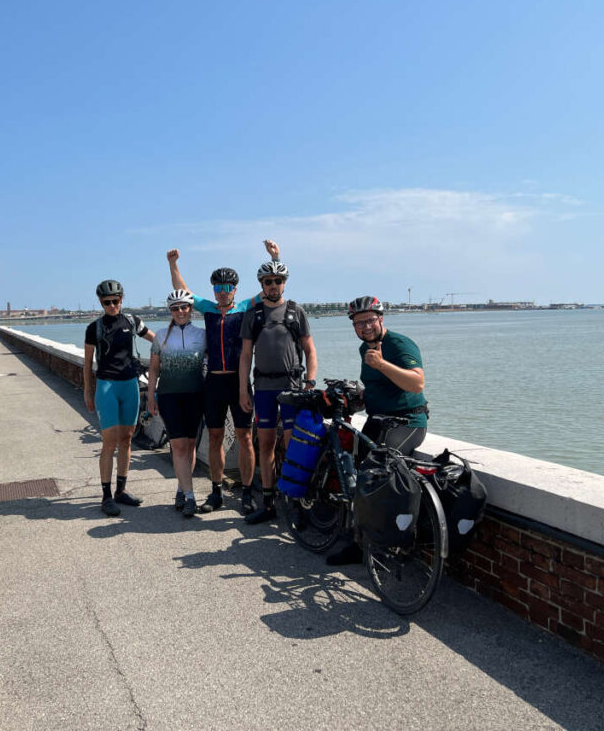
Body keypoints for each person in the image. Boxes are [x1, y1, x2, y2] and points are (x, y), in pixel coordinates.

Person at [165, 240, 279, 514]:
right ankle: (216, 492)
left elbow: (272, 288)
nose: (223, 292)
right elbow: (184, 292)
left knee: (244, 439)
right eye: (218, 288)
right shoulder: (209, 309)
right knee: (214, 437)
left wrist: (275, 256)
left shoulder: (245, 307)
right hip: (213, 383)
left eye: (228, 288)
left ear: (235, 290)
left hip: (239, 382)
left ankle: (248, 493)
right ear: (214, 290)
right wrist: (173, 264)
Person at [327, 295, 428, 565]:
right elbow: (377, 388)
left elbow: (417, 384)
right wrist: (355, 399)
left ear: (381, 319)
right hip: (378, 418)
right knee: (359, 476)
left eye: (370, 320)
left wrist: (382, 364)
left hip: (408, 422)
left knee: (379, 470)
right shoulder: (365, 350)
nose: (365, 327)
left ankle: (392, 541)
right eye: (358, 323)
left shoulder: (399, 344)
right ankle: (358, 542)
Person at [238, 256, 318, 524]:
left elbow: (309, 350)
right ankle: (269, 502)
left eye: (278, 281)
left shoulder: (296, 312)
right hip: (263, 388)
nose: (273, 285)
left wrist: (311, 381)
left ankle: (297, 503)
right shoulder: (254, 314)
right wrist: (243, 389)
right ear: (262, 284)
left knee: (293, 443)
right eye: (268, 281)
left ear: (284, 283)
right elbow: (245, 355)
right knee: (266, 444)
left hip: (292, 387)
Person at [83, 280, 155, 516]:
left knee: (127, 438)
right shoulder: (94, 328)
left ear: (122, 299)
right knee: (109, 441)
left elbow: (156, 339)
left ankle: (121, 491)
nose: (112, 305)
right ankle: (106, 496)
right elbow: (86, 363)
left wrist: (182, 348)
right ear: (101, 303)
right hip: (107, 386)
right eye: (107, 302)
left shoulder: (132, 322)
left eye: (115, 301)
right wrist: (88, 390)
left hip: (130, 385)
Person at [147, 290, 208, 517]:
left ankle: (183, 488)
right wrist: (150, 396)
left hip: (195, 396)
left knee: (191, 446)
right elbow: (154, 369)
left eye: (184, 307)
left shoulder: (202, 335)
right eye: (175, 308)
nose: (180, 312)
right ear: (170, 311)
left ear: (191, 309)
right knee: (180, 446)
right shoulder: (160, 336)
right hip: (169, 397)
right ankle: (191, 497)